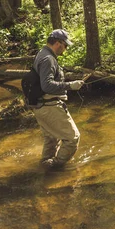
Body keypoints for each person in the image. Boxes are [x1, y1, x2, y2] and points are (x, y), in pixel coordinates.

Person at [32, 29, 85, 170]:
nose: (65, 49)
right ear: (58, 43)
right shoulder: (48, 59)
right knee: (72, 138)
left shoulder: (42, 54)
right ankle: (55, 168)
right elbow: (47, 85)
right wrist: (70, 85)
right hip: (49, 106)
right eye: (65, 45)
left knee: (51, 139)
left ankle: (45, 167)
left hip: (41, 106)